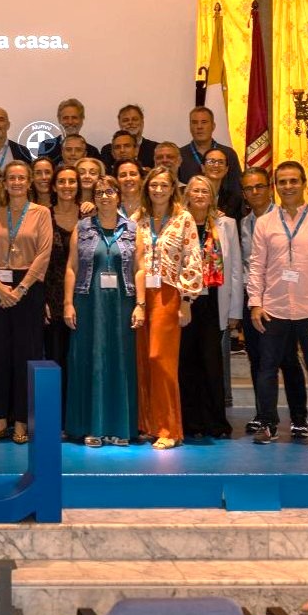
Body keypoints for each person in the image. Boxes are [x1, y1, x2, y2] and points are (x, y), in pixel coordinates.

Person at [248, 161, 308, 448]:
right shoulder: (264, 223)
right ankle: (268, 424)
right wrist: (255, 302)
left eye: (293, 181)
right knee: (266, 369)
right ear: (275, 187)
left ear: (304, 183)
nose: (288, 186)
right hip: (273, 308)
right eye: (282, 182)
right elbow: (257, 266)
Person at [0, 161, 53, 445]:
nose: (17, 182)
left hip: (27, 289)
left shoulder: (42, 213)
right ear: (4, 183)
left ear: (29, 181)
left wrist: (20, 289)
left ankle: (21, 422)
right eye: (11, 178)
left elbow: (43, 254)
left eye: (22, 178)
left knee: (25, 355)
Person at [63, 175, 138, 446]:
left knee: (120, 361)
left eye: (109, 191)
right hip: (87, 301)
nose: (104, 196)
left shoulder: (132, 228)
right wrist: (67, 303)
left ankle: (120, 428)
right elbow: (71, 267)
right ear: (92, 197)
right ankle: (90, 427)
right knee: (90, 361)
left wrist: (140, 305)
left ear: (118, 195)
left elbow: (139, 268)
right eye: (99, 192)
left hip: (121, 303)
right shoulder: (82, 228)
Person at [132, 167, 202, 450]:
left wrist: (186, 300)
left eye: (164, 185)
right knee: (143, 360)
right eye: (153, 185)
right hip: (139, 294)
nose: (158, 190)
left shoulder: (183, 219)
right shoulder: (139, 218)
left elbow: (193, 259)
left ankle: (169, 428)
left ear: (173, 188)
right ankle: (148, 424)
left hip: (169, 293)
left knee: (160, 358)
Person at [239, 166, 307, 436]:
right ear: (243, 193)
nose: (254, 192)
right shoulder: (243, 223)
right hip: (253, 299)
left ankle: (299, 417)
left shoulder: (284, 220)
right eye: (248, 188)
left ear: (270, 188)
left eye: (259, 186)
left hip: (282, 298)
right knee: (258, 360)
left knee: (288, 360)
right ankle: (264, 414)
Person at [177, 176, 240, 439]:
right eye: (195, 190)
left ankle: (215, 421)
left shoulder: (227, 225)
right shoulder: (178, 222)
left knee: (212, 363)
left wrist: (236, 311)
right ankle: (191, 422)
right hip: (186, 301)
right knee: (186, 362)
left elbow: (235, 269)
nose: (200, 195)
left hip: (215, 301)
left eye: (205, 190)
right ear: (187, 195)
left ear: (212, 195)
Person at [44, 165, 82, 413]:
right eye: (62, 182)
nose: (67, 186)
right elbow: (37, 260)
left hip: (84, 297)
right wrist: (41, 299)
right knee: (55, 358)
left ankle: (79, 416)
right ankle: (56, 416)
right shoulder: (42, 215)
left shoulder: (90, 216)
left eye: (72, 182)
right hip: (52, 299)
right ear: (54, 186)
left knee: (80, 360)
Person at [179, 107, 241, 201]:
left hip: (226, 212)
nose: (199, 127)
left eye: (204, 122)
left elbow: (237, 190)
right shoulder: (179, 155)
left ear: (213, 126)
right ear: (190, 126)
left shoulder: (228, 154)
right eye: (195, 122)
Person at [37, 98, 99, 165]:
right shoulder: (47, 146)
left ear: (82, 120)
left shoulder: (92, 152)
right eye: (65, 118)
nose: (70, 122)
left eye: (74, 118)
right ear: (59, 120)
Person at [101, 105, 157, 170]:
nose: (130, 123)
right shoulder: (107, 150)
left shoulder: (155, 148)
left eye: (135, 119)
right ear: (119, 124)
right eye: (125, 120)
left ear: (142, 122)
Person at [202, 147, 244, 220]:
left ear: (226, 169)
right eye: (211, 161)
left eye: (221, 162)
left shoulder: (234, 200)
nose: (216, 165)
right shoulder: (192, 194)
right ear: (202, 167)